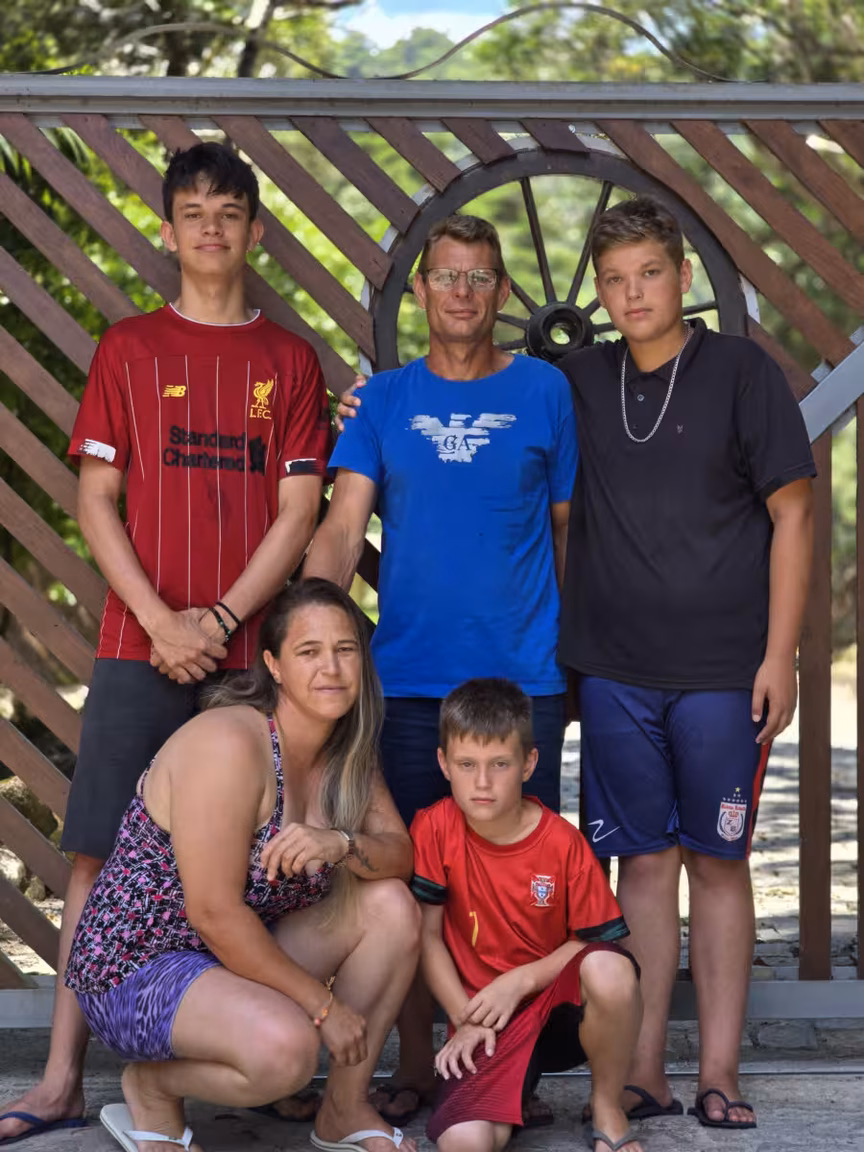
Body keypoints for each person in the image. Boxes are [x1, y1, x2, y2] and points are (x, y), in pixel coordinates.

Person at [0, 143, 331, 1144]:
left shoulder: (290, 362)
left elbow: (299, 511)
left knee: (259, 865)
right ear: (168, 229)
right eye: (193, 212)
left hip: (249, 655)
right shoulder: (129, 349)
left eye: (229, 212)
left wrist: (221, 622)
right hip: (135, 643)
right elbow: (95, 499)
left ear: (255, 230)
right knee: (97, 852)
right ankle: (62, 1079)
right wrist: (159, 621)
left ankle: (253, 1058)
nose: (211, 229)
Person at [304, 214, 578, 1124]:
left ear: (502, 292)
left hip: (522, 681)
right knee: (411, 881)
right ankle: (421, 1065)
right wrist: (307, 628)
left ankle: (508, 1069)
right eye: (447, 277)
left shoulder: (545, 391)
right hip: (410, 684)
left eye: (480, 277)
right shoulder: (383, 401)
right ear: (420, 292)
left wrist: (572, 657)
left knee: (519, 887)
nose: (463, 293)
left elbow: (567, 535)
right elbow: (343, 528)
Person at [558, 195, 815, 1129]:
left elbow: (794, 513)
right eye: (615, 281)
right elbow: (486, 397)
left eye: (650, 275)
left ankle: (718, 1073)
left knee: (717, 863)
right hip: (616, 671)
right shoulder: (579, 379)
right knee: (642, 868)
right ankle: (644, 1074)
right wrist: (366, 398)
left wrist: (779, 655)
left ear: (683, 277)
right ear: (599, 291)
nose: (633, 295)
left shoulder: (742, 373)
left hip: (721, 671)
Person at [64, 578, 420, 1152]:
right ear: (274, 666)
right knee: (288, 1052)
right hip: (138, 967)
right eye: (309, 651)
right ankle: (151, 1087)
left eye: (345, 649)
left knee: (391, 907)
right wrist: (322, 1006)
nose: (331, 668)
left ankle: (343, 1109)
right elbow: (212, 912)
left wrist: (340, 842)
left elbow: (400, 857)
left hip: (230, 957)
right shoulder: (230, 743)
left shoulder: (346, 752)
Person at [412, 678, 642, 1152]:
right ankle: (515, 1092)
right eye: (467, 764)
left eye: (499, 764)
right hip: (485, 1025)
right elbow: (427, 938)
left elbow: (594, 942)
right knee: (464, 1144)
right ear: (443, 763)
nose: (482, 782)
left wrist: (520, 981)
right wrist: (464, 1018)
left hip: (555, 1016)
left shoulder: (562, 842)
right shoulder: (434, 828)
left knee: (610, 969)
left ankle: (607, 1106)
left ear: (529, 764)